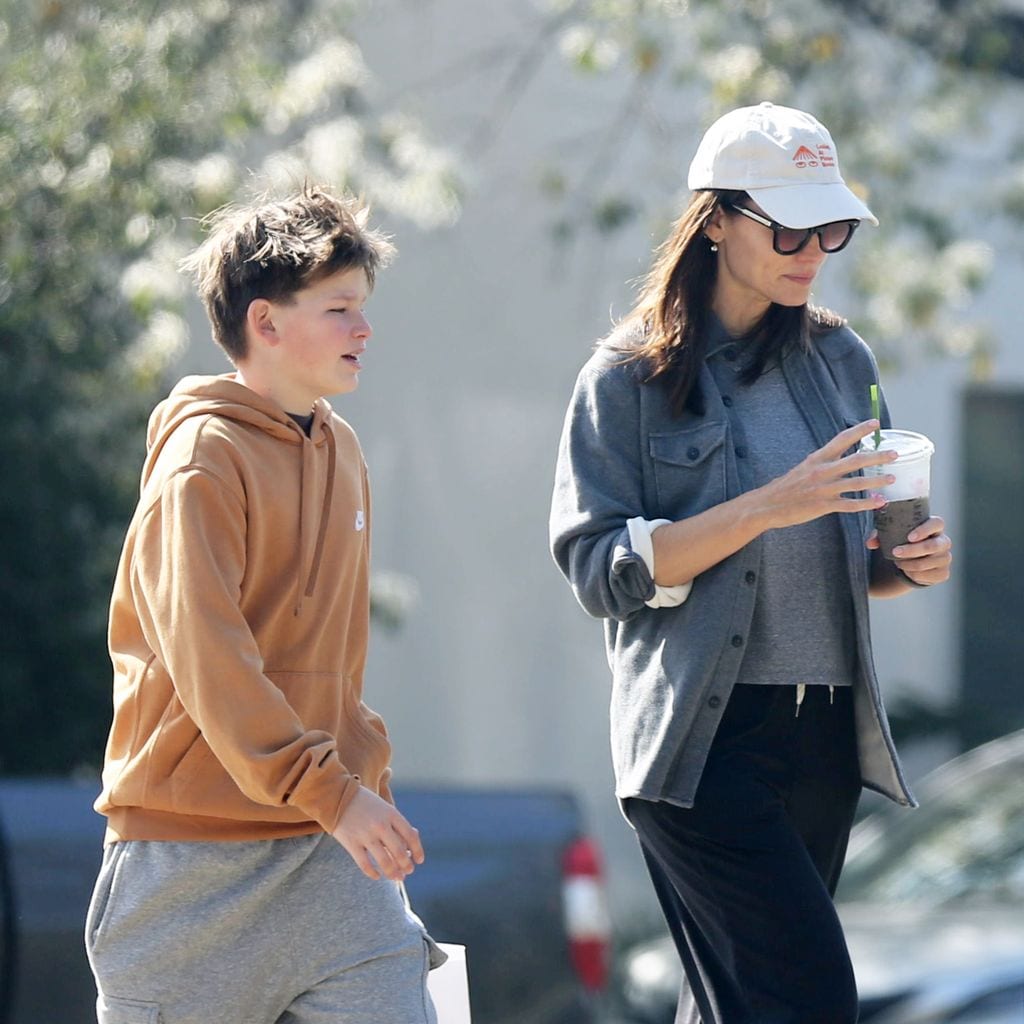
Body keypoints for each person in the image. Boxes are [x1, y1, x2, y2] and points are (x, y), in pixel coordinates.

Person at [549, 102, 953, 1024]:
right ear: (718, 219)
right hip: (701, 745)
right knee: (808, 999)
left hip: (823, 736)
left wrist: (906, 560)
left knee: (738, 1007)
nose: (813, 249)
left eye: (833, 227)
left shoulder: (841, 357)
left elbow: (856, 545)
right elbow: (595, 567)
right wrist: (772, 505)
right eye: (789, 226)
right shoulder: (626, 379)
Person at [86, 185, 442, 1024]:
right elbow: (212, 662)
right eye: (340, 308)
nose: (364, 330)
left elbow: (330, 655)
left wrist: (362, 776)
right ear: (266, 322)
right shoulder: (200, 461)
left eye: (363, 308)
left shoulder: (341, 449)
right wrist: (332, 790)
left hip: (325, 854)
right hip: (188, 870)